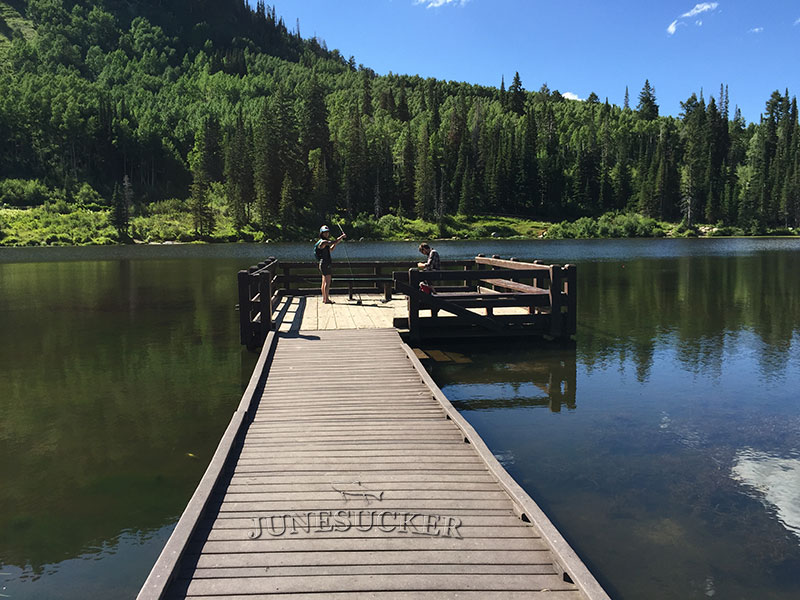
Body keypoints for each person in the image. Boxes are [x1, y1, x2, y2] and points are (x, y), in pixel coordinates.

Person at [315, 225, 346, 304]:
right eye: (325, 233)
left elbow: (331, 249)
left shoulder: (323, 242)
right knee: (327, 282)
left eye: (327, 232)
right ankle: (327, 299)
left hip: (323, 264)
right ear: (321, 233)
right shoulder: (323, 242)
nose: (326, 234)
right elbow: (334, 241)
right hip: (325, 264)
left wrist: (336, 243)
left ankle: (324, 298)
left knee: (324, 282)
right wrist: (341, 237)